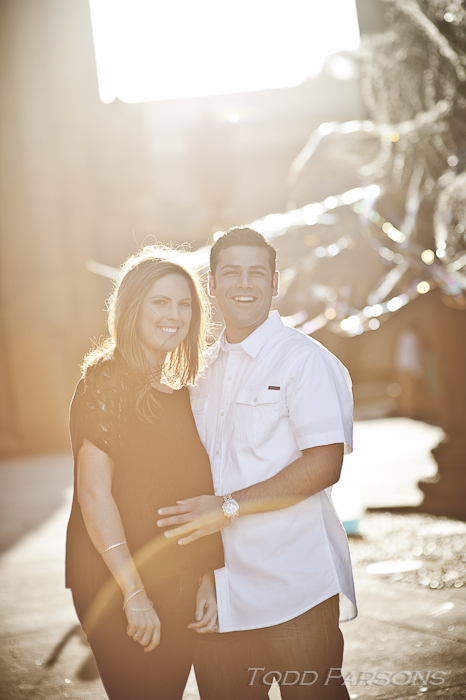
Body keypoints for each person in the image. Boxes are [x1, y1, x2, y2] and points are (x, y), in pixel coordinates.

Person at [157, 227, 357, 699]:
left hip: (296, 590)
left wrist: (227, 507)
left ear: (274, 283)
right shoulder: (199, 371)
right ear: (211, 284)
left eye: (256, 273)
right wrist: (203, 578)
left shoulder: (304, 360)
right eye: (231, 273)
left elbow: (324, 464)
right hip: (222, 600)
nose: (244, 284)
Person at [65, 247, 224, 700]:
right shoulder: (106, 381)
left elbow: (190, 489)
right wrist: (134, 594)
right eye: (161, 302)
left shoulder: (182, 392)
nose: (175, 315)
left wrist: (205, 578)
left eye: (184, 303)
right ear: (132, 307)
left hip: (178, 576)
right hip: (117, 579)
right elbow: (94, 494)